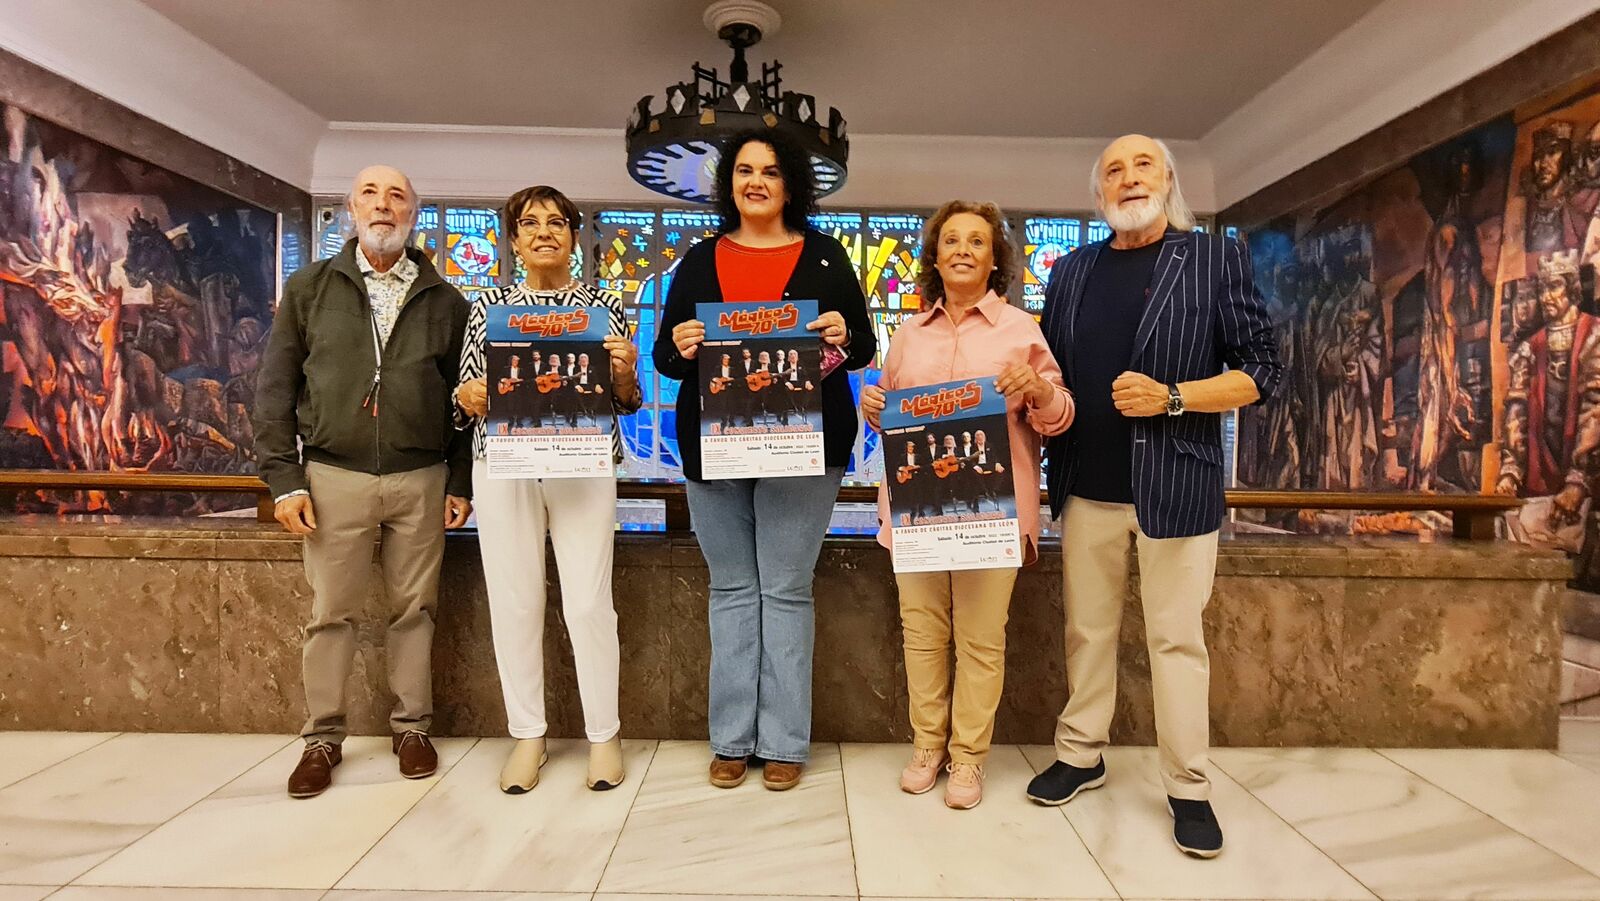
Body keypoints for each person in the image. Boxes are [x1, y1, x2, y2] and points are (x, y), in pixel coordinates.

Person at [1028, 135, 1281, 858]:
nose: (1128, 177)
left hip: (1178, 486)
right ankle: (1081, 752)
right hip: (1087, 487)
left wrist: (1173, 397)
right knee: (1087, 631)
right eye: (1113, 168)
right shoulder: (1072, 270)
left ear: (1167, 180)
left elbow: (1263, 369)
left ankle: (1188, 785)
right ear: (1097, 191)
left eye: (1143, 165)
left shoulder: (1212, 258)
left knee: (1176, 639)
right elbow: (1051, 370)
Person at [653, 128, 875, 791]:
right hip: (714, 447)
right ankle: (730, 738)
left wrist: (842, 331)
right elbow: (666, 357)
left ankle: (782, 740)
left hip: (802, 448)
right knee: (730, 589)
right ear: (730, 184)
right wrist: (684, 343)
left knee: (783, 589)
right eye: (745, 170)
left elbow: (860, 345)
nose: (756, 181)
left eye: (771, 172)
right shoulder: (697, 260)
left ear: (791, 184)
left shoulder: (828, 256)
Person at [254, 164, 473, 800]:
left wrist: (459, 478)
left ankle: (412, 729)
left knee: (415, 610)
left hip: (421, 477)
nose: (384, 206)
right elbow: (275, 389)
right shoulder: (310, 288)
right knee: (331, 614)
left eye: (397, 197)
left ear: (414, 213)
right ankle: (322, 737)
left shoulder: (446, 300)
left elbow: (464, 400)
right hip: (332, 476)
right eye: (371, 195)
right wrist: (284, 480)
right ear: (352, 209)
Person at [861, 200, 1072, 809]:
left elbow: (1059, 418)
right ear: (933, 255)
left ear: (994, 258)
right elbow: (889, 414)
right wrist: (872, 408)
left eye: (976, 241)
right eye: (950, 239)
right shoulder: (906, 334)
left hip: (992, 515)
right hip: (919, 513)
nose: (961, 249)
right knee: (922, 635)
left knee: (982, 640)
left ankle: (969, 758)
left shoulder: (1021, 331)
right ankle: (927, 746)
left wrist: (1036, 389)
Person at [453, 185, 642, 793]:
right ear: (513, 239)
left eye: (556, 222)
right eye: (529, 223)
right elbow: (465, 392)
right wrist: (469, 396)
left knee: (588, 603)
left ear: (572, 236)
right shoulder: (488, 304)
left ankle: (604, 736)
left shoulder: (602, 304)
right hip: (504, 464)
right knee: (515, 602)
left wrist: (625, 372)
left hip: (582, 464)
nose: (543, 232)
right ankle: (528, 734)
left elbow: (626, 401)